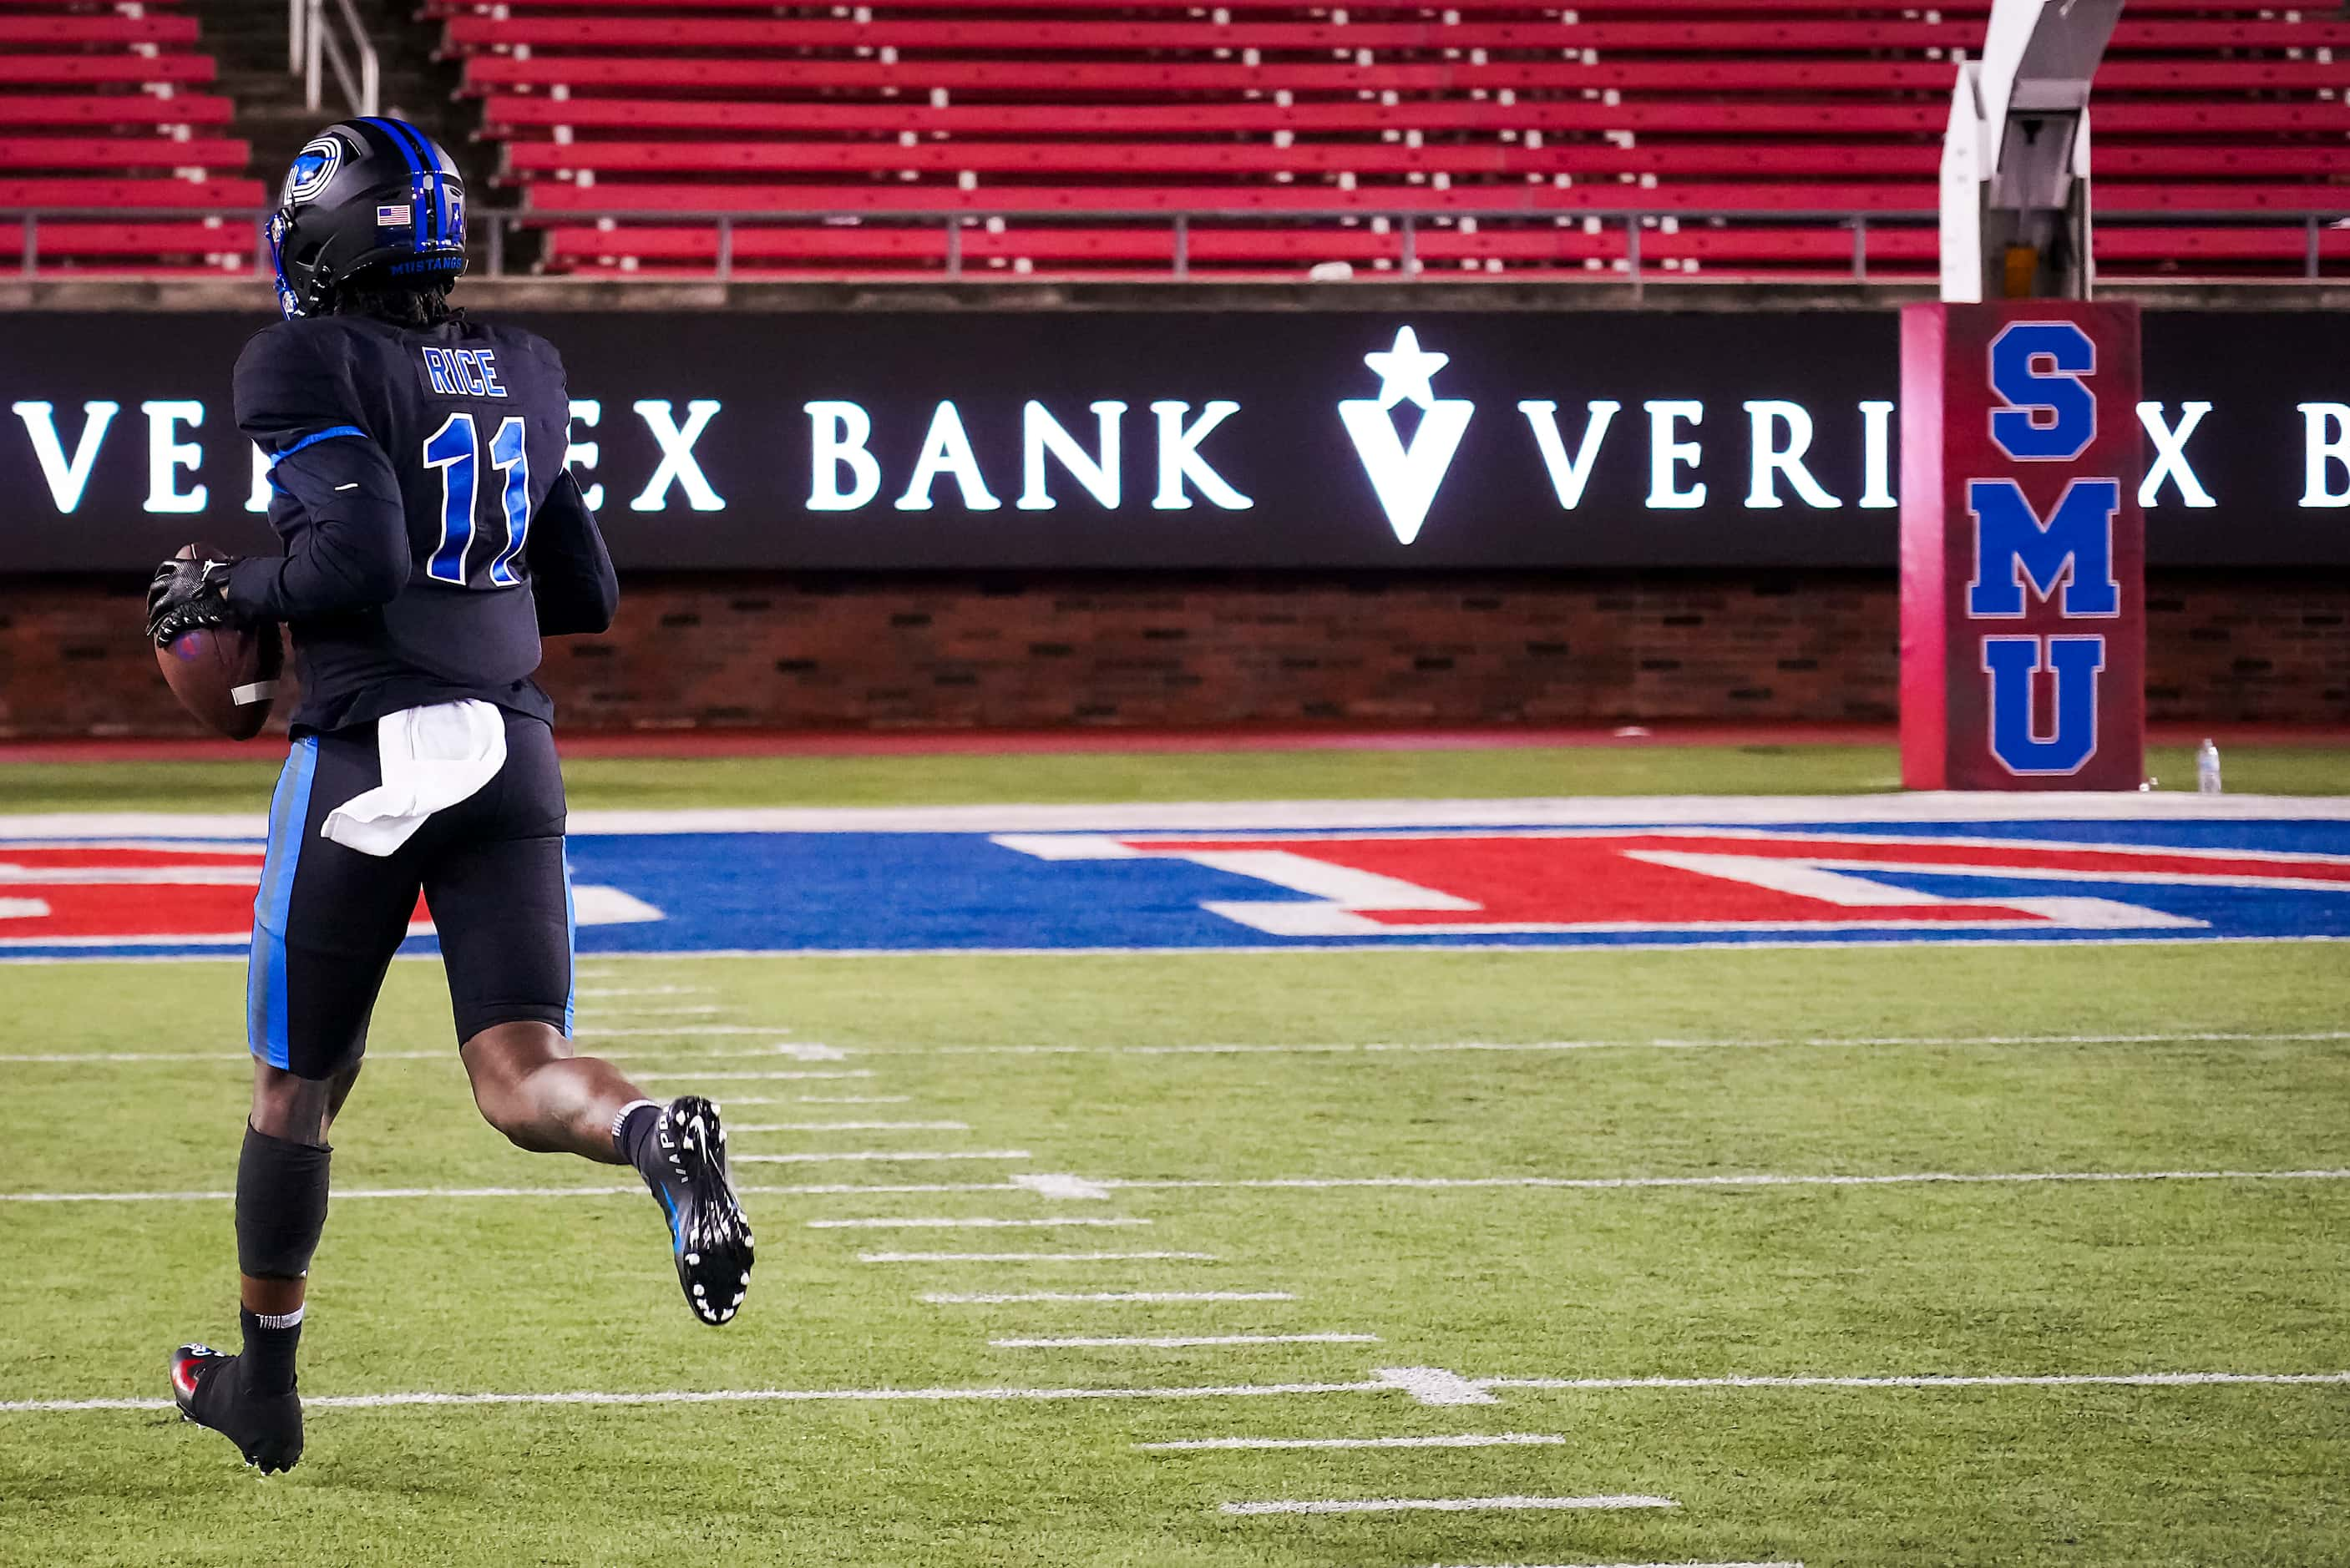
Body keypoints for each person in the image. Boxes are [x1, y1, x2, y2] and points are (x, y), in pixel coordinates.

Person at [144, 118, 753, 1475]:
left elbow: (352, 554)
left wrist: (220, 592)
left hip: (369, 755)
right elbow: (584, 592)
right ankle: (651, 1131)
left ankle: (268, 1382)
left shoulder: (300, 355)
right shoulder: (523, 368)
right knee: (517, 1071)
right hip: (513, 748)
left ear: (323, 239)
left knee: (294, 1089)